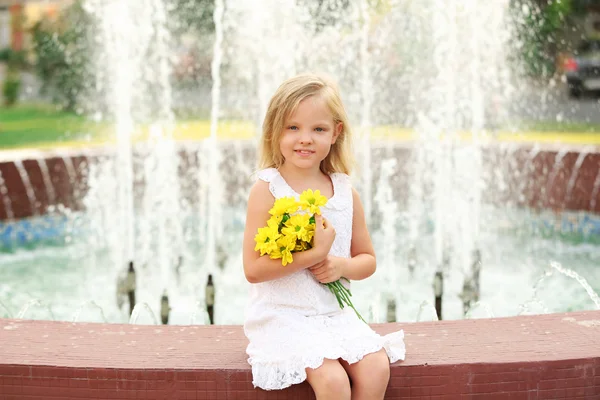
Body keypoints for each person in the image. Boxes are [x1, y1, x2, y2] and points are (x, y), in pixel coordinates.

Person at [242, 73, 405, 399]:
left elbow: (367, 260)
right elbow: (253, 270)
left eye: (318, 129)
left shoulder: (344, 192)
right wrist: (314, 255)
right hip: (283, 315)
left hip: (333, 315)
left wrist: (340, 267)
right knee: (332, 381)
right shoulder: (269, 190)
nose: (305, 138)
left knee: (376, 367)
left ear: (336, 133)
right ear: (274, 130)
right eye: (293, 128)